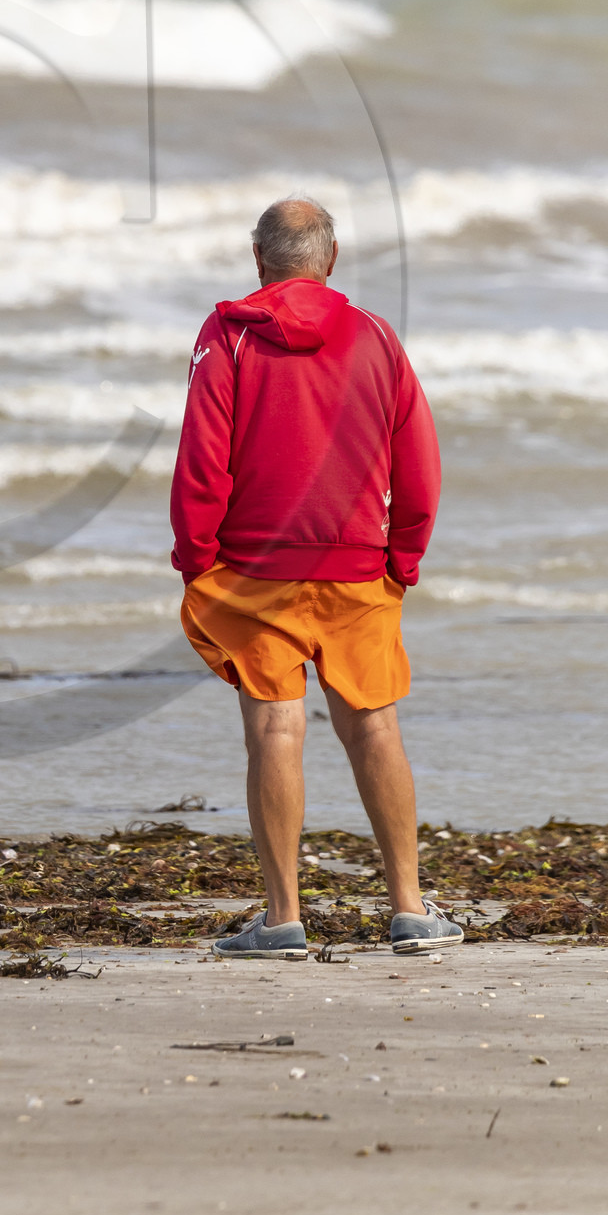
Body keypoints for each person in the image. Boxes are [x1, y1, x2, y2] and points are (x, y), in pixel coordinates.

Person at [170, 196, 459, 955]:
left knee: (274, 727)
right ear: (329, 262)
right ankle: (410, 909)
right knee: (374, 725)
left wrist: (194, 554)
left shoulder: (228, 334)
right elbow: (419, 462)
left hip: (254, 569)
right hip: (358, 566)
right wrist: (406, 555)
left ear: (259, 261)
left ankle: (283, 920)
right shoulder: (375, 337)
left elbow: (204, 454)